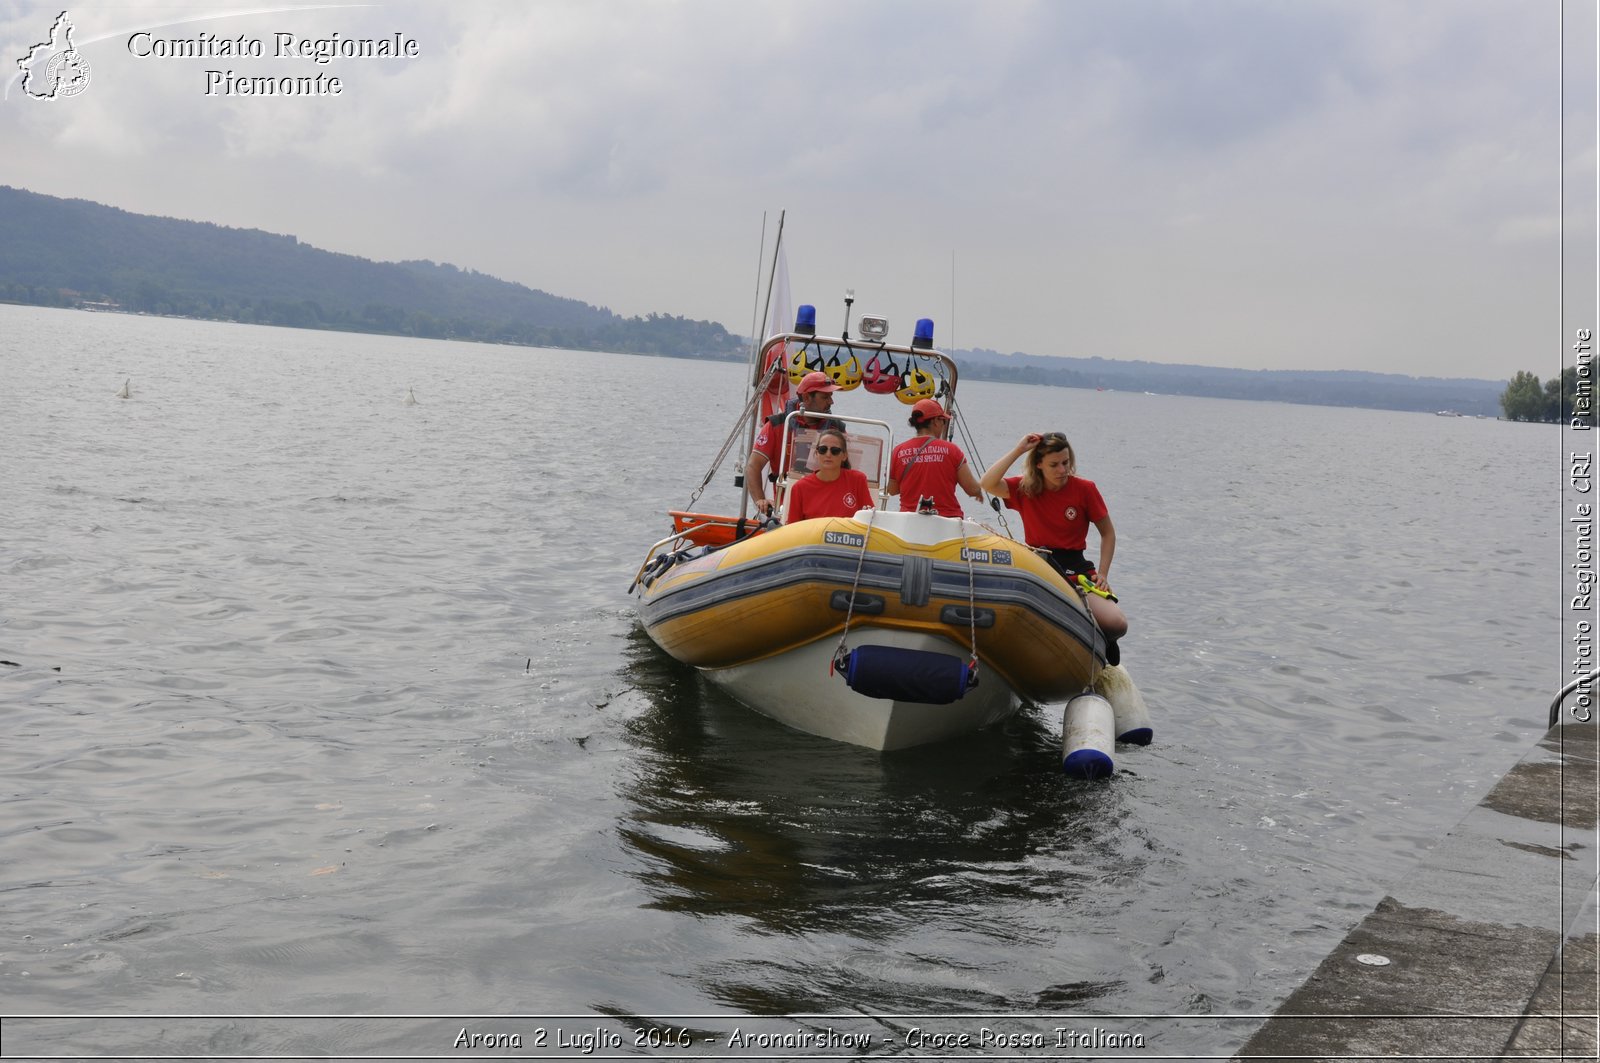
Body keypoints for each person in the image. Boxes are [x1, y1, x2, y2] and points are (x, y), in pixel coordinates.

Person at [979, 431, 1128, 662]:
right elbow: (987, 483)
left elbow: (1108, 533)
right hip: (1039, 565)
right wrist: (1019, 450)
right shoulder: (1025, 488)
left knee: (1117, 624)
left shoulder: (1085, 489)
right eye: (1054, 465)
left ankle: (1104, 642)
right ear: (1038, 465)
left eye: (1066, 463)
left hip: (1076, 568)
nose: (1062, 470)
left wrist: (1103, 574)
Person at [745, 370, 843, 518]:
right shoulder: (776, 425)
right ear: (806, 397)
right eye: (825, 397)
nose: (831, 402)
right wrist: (760, 500)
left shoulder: (838, 429)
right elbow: (753, 466)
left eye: (831, 396)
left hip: (826, 508)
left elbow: (849, 468)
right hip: (786, 508)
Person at [886, 398, 982, 517]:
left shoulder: (898, 451)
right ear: (936, 421)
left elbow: (892, 490)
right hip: (947, 520)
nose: (943, 425)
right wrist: (984, 487)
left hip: (909, 521)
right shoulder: (952, 450)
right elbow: (972, 489)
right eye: (943, 421)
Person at [784, 428, 875, 521]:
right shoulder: (799, 488)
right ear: (816, 454)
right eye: (823, 449)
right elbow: (793, 527)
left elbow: (870, 520)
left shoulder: (858, 480)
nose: (828, 454)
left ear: (844, 455)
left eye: (835, 450)